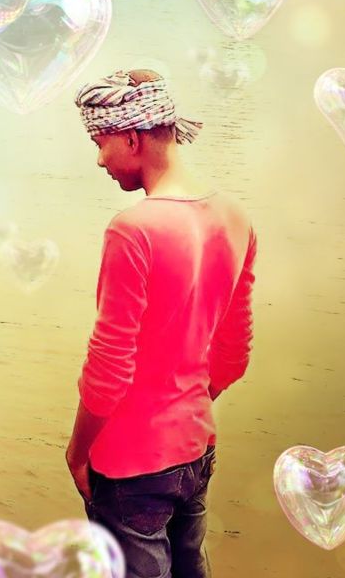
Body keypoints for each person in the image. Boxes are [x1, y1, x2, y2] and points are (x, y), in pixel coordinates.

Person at [65, 68, 257, 578]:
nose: (99, 159)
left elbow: (109, 369)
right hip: (195, 451)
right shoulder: (234, 215)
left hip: (129, 467)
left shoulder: (133, 230)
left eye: (100, 143)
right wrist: (183, 407)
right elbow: (234, 355)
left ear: (131, 138)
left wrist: (78, 452)